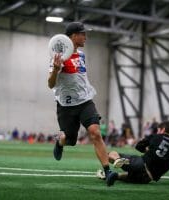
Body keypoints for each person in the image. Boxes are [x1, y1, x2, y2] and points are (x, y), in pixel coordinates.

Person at [48, 21, 117, 186]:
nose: (86, 37)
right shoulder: (58, 58)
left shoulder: (81, 55)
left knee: (95, 133)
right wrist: (57, 69)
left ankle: (108, 172)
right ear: (73, 36)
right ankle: (60, 141)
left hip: (85, 101)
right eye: (83, 34)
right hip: (66, 106)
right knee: (70, 139)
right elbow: (50, 84)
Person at [97, 120, 169, 187]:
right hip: (147, 178)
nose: (157, 131)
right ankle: (114, 176)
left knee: (110, 153)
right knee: (128, 176)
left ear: (163, 129)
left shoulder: (155, 136)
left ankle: (116, 161)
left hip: (141, 164)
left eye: (158, 130)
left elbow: (138, 146)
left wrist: (147, 150)